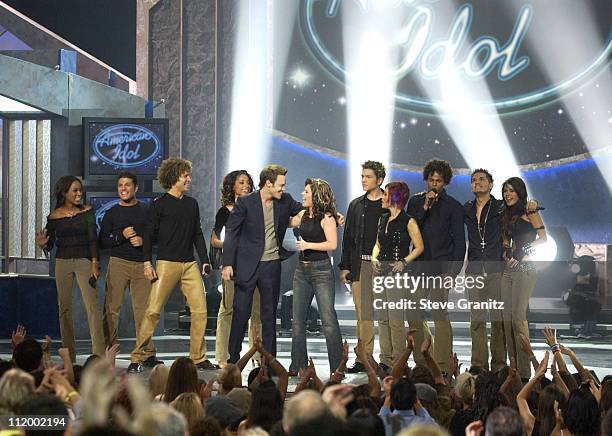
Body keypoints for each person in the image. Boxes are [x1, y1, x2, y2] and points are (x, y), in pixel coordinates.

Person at [128, 157, 214, 372]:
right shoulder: (159, 205)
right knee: (153, 311)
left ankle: (198, 357)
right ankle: (137, 357)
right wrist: (147, 263)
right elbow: (147, 236)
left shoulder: (191, 203)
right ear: (174, 177)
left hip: (189, 264)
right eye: (185, 176)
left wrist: (205, 261)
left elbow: (197, 234)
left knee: (200, 310)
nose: (189, 179)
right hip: (166, 263)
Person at [221, 165, 304, 363]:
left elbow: (305, 208)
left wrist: (333, 216)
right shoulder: (246, 202)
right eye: (280, 185)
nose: (283, 189)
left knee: (268, 315)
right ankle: (233, 359)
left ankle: (269, 360)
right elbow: (232, 232)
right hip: (247, 265)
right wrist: (227, 264)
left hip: (271, 266)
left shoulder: (284, 201)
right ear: (268, 183)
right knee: (240, 313)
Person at [36, 175, 105, 362]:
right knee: (64, 309)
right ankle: (70, 357)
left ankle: (99, 355)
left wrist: (94, 263)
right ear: (64, 193)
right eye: (74, 190)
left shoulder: (88, 212)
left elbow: (93, 239)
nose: (79, 194)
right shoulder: (54, 216)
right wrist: (42, 245)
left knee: (92, 307)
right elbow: (50, 246)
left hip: (84, 261)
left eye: (80, 190)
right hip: (62, 262)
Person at [406, 159, 465, 372]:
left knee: (440, 314)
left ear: (445, 182)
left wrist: (453, 272)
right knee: (413, 312)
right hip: (418, 268)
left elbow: (460, 243)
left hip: (441, 268)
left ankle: (442, 363)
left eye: (438, 181)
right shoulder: (414, 203)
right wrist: (424, 207)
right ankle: (421, 361)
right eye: (431, 180)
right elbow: (410, 231)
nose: (434, 184)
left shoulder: (454, 207)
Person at [99, 172, 161, 368]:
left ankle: (146, 353)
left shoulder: (146, 210)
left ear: (136, 188)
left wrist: (143, 241)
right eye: (120, 185)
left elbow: (156, 237)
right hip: (118, 263)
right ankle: (109, 352)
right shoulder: (112, 213)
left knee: (143, 312)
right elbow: (103, 241)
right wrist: (121, 236)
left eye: (127, 185)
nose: (123, 188)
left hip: (142, 264)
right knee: (111, 310)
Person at [288, 178, 343, 374]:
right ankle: (298, 365)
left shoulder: (327, 217)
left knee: (328, 320)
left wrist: (308, 245)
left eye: (307, 192)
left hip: (321, 270)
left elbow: (332, 244)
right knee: (298, 321)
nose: (302, 194)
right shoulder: (302, 214)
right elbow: (286, 221)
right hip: (301, 271)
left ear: (317, 195)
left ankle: (337, 367)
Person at [338, 160, 387, 373]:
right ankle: (363, 359)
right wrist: (345, 266)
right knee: (363, 315)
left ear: (380, 179)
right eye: (362, 176)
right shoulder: (356, 205)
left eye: (368, 176)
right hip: (360, 265)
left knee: (386, 313)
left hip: (384, 267)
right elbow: (348, 238)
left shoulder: (389, 202)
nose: (364, 180)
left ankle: (388, 360)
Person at [371, 182, 423, 370]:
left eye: (385, 194)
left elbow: (419, 247)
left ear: (394, 198)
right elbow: (377, 244)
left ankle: (398, 361)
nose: (382, 197)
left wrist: (404, 262)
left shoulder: (408, 221)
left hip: (396, 274)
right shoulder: (382, 219)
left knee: (395, 319)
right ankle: (385, 359)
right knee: (383, 318)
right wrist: (374, 258)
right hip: (380, 273)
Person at [212, 170, 261, 368]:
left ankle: (258, 356)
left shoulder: (258, 208)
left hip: (256, 265)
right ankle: (222, 356)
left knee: (257, 312)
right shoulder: (225, 211)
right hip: (232, 267)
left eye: (248, 182)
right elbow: (214, 239)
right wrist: (230, 244)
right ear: (232, 186)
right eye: (241, 182)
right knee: (228, 310)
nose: (246, 185)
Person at [500, 176, 546, 380]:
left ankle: (526, 373)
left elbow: (543, 238)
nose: (507, 194)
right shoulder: (506, 214)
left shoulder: (530, 211)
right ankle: (514, 369)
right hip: (508, 268)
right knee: (507, 319)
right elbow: (506, 242)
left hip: (525, 267)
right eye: (505, 191)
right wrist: (507, 254)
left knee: (518, 318)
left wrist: (520, 254)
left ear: (519, 192)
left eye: (511, 190)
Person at [463, 169, 506, 373]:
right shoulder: (467, 208)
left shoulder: (500, 207)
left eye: (481, 179)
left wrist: (530, 205)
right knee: (476, 320)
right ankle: (478, 365)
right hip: (474, 269)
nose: (477, 183)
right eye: (473, 180)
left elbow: (520, 211)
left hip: (495, 268)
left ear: (491, 184)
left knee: (498, 320)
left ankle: (499, 366)